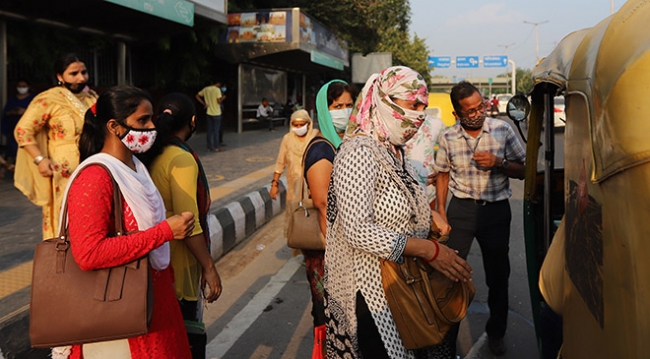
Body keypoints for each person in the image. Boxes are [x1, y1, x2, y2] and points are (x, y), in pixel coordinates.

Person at [324, 66, 473, 359]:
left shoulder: (392, 150)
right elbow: (357, 230)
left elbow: (396, 202)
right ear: (384, 100)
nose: (419, 115)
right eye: (412, 105)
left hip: (403, 284)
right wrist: (428, 250)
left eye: (423, 107)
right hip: (370, 292)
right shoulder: (359, 152)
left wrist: (430, 217)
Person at [62, 86, 194, 358]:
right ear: (113, 126)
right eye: (142, 121)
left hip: (153, 303)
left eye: (151, 119)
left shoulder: (136, 168)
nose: (151, 127)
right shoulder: (95, 177)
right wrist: (164, 232)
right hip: (120, 313)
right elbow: (88, 254)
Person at [434, 81, 526, 356]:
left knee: (498, 275)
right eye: (470, 111)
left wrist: (499, 163)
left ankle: (496, 331)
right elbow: (442, 173)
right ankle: (444, 338)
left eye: (480, 106)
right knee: (448, 273)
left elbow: (523, 170)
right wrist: (440, 211)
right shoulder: (448, 137)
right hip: (461, 210)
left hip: (496, 211)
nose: (477, 113)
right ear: (457, 115)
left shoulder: (503, 129)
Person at [138, 93, 223, 358]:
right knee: (185, 342)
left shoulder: (151, 154)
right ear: (194, 121)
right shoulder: (181, 158)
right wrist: (209, 267)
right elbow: (189, 221)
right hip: (178, 264)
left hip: (153, 259)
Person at [13, 53, 98, 239]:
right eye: (74, 73)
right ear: (60, 76)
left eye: (84, 72)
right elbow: (22, 131)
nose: (81, 78)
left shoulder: (92, 98)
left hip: (93, 166)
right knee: (66, 217)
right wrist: (40, 159)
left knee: (94, 216)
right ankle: (62, 263)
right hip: (64, 172)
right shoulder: (49, 99)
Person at [301, 79, 355, 358]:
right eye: (337, 106)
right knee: (328, 316)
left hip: (342, 245)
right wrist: (338, 255)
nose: (344, 111)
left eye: (348, 105)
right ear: (323, 108)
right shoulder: (322, 149)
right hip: (328, 250)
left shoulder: (342, 144)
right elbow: (324, 206)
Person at [404, 114, 446, 209]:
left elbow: (450, 150)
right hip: (397, 193)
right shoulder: (389, 122)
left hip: (428, 191)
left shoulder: (436, 123)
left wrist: (441, 173)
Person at [2, 79, 35, 166]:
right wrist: (13, 112)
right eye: (19, 86)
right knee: (13, 148)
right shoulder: (12, 99)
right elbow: (6, 112)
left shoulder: (33, 99)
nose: (21, 88)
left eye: (24, 86)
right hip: (13, 126)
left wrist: (24, 111)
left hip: (28, 128)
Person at [195, 80, 225, 152]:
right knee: (216, 130)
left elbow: (197, 96)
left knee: (209, 130)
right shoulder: (217, 90)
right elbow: (218, 101)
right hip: (216, 112)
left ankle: (209, 147)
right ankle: (216, 147)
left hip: (208, 112)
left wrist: (204, 103)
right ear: (217, 83)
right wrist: (223, 98)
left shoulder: (206, 89)